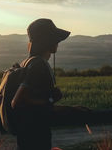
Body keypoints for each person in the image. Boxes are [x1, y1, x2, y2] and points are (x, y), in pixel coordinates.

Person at [11, 18, 70, 150]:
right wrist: (51, 100)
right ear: (47, 41)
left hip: (27, 137)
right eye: (55, 38)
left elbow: (33, 102)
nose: (58, 42)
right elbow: (18, 101)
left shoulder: (27, 62)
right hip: (35, 138)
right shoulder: (38, 65)